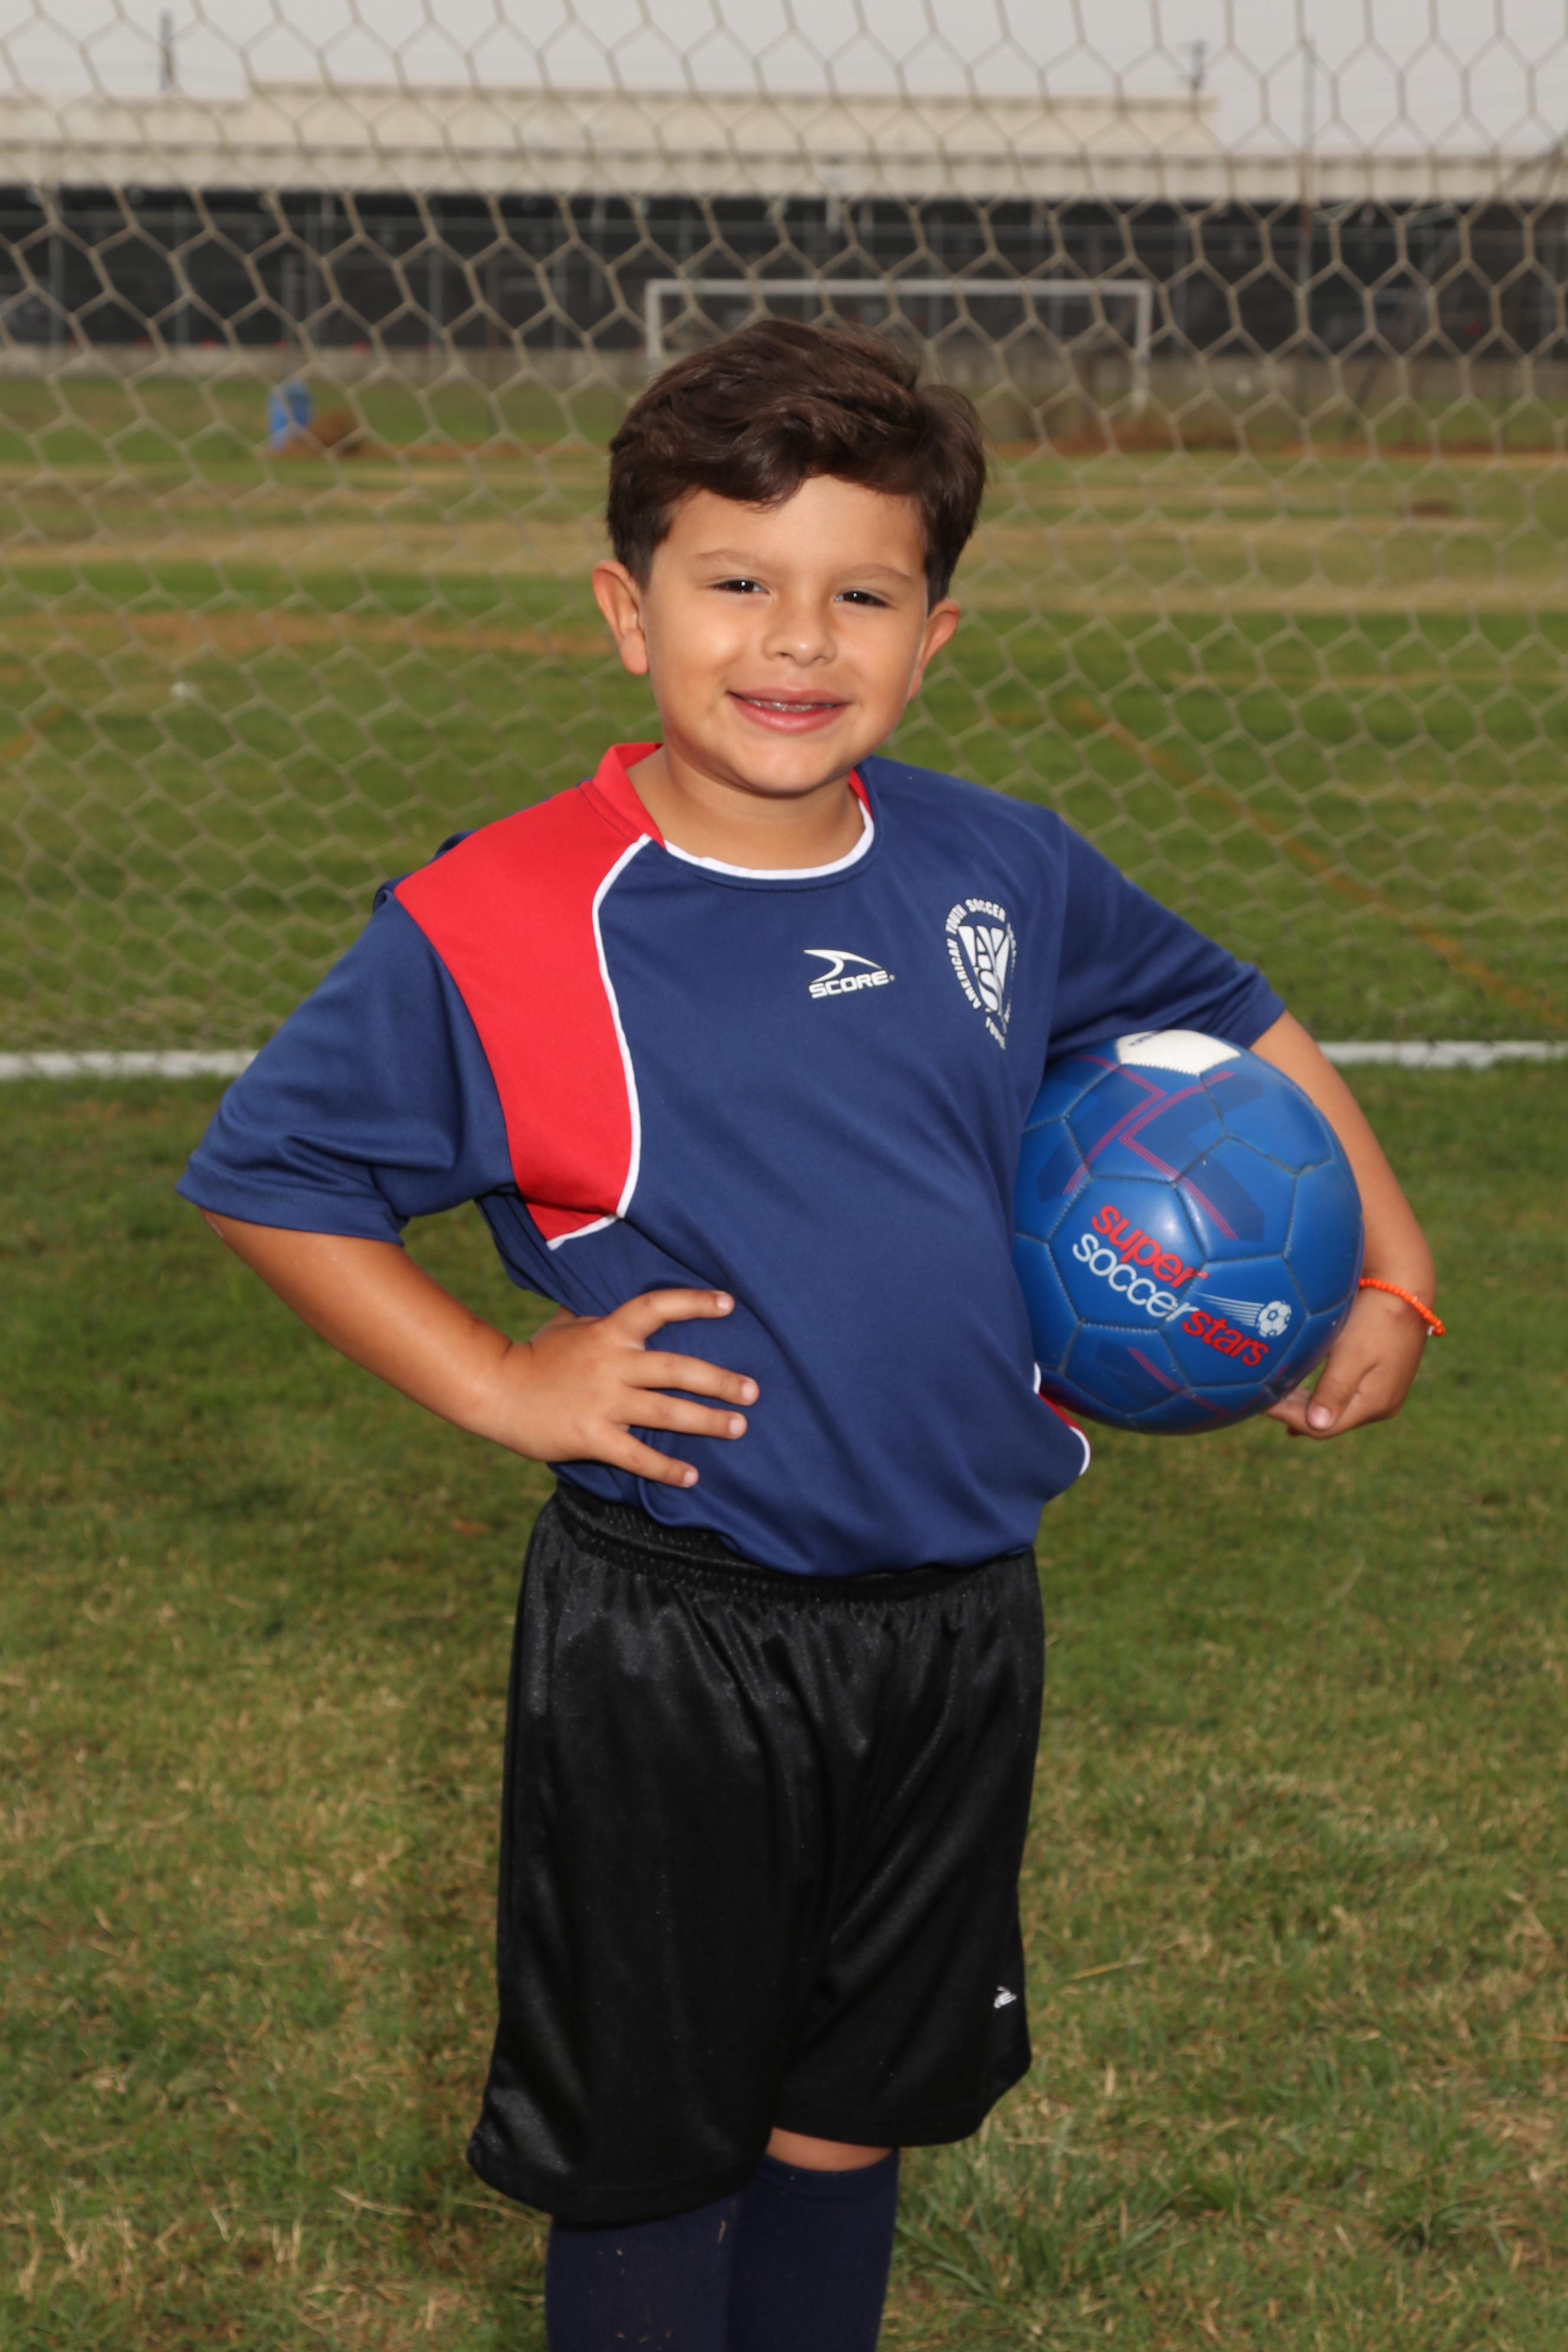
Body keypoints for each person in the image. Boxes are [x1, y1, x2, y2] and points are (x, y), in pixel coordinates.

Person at [177, 320, 1438, 2350]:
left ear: (934, 634)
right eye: (736, 581)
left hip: (957, 1620)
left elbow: (1218, 1002)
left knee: (854, 2110)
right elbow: (272, 1171)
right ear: (628, 611)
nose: (794, 641)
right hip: (682, 1637)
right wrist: (504, 1379)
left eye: (861, 595)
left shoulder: (998, 866)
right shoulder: (508, 919)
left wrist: (1390, 1256)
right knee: (654, 2143)